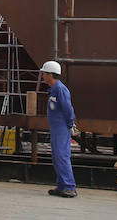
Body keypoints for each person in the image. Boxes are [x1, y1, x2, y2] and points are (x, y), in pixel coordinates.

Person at [40, 60, 77, 198]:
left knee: (62, 156)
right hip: (56, 128)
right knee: (57, 156)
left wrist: (70, 123)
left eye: (44, 73)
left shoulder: (60, 89)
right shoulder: (53, 90)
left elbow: (68, 109)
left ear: (50, 74)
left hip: (61, 128)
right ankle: (62, 185)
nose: (43, 75)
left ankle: (69, 186)